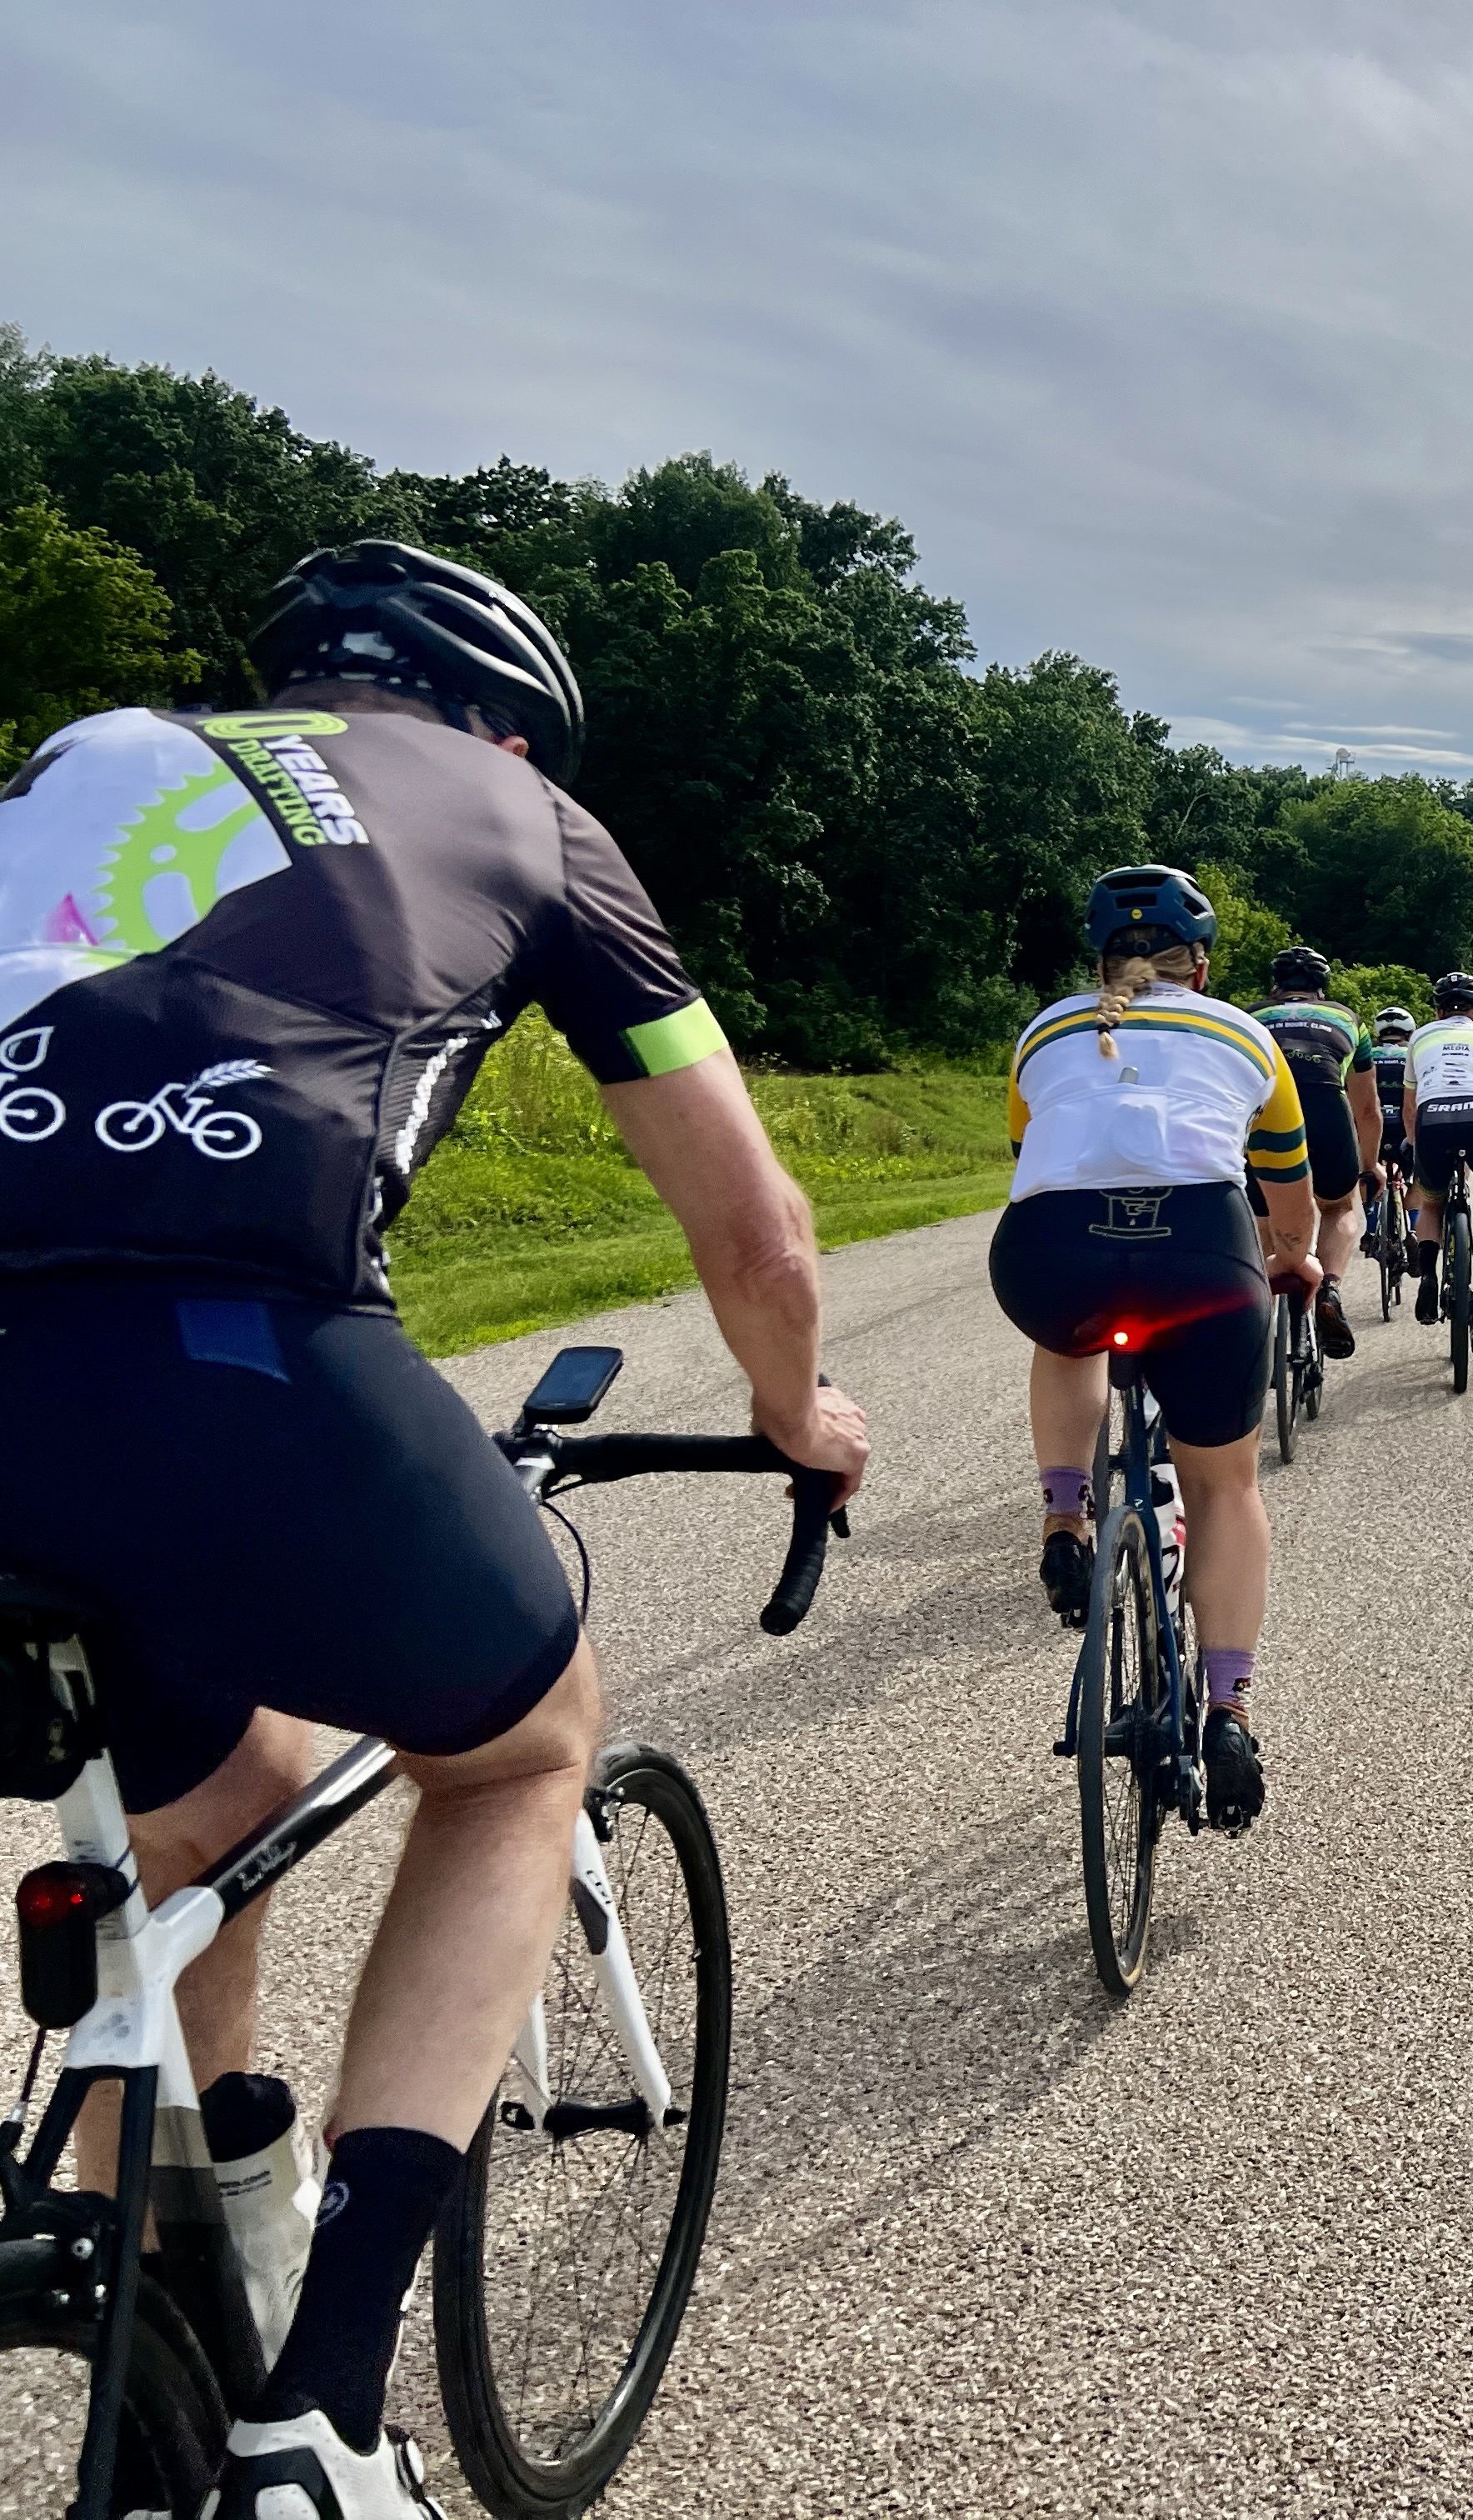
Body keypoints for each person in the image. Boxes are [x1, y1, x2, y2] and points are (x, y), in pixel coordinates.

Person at [0, 541, 871, 2520]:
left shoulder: (84, 759)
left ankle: (171, 2285)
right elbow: (756, 1231)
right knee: (521, 1749)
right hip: (228, 1338)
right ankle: (321, 2418)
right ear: (507, 727)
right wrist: (796, 1415)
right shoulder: (528, 815)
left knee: (210, 1810)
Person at [993, 865, 1318, 1835]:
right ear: (1201, 968)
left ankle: (1064, 1514)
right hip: (1202, 1258)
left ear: (1100, 962)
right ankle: (1228, 1711)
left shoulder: (1044, 1032)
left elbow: (1036, 1157)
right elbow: (1291, 1196)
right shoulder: (1247, 1036)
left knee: (1069, 1339)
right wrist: (1291, 1259)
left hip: (1051, 1255)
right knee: (1224, 1487)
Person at [1248, 945, 1377, 1359]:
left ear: (1275, 987)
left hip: (1266, 1115)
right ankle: (1330, 1289)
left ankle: (1261, 1320)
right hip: (1327, 1108)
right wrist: (1371, 1165)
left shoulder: (1249, 1017)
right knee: (1338, 1206)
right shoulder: (1348, 1019)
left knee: (1267, 1214)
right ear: (1322, 990)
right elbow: (1367, 1109)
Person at [1403, 971, 1473, 1322]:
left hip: (1431, 1118)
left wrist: (1414, 1146)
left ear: (1438, 1011)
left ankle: (1428, 1277)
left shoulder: (1419, 1038)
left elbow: (1410, 1109)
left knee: (1431, 1202)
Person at [1362, 1005, 1415, 1252]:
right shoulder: (1413, 1055)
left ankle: (1371, 1229)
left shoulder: (1367, 1055)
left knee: (1368, 1173)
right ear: (1409, 1032)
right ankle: (1414, 1230)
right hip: (1405, 1128)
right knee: (1416, 1181)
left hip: (1374, 1127)